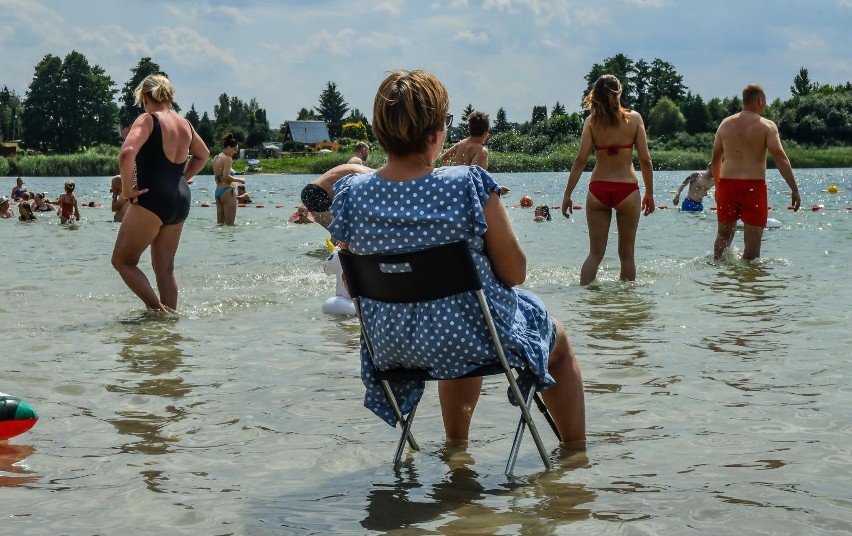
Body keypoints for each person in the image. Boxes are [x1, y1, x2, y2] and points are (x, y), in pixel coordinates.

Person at [329, 70, 585, 448]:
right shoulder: (468, 183)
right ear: (436, 134)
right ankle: (575, 456)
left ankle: (456, 448)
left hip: (392, 347)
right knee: (550, 340)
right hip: (470, 337)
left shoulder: (351, 193)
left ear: (380, 133)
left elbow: (353, 284)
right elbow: (515, 273)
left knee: (457, 314)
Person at [111, 73, 209, 312]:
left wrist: (126, 189)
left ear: (144, 97)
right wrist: (182, 178)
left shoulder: (147, 120)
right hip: (180, 199)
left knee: (123, 261)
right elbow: (203, 154)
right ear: (169, 96)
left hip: (152, 198)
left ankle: (158, 312)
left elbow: (126, 154)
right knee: (165, 269)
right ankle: (170, 326)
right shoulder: (184, 123)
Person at [561, 74, 654, 285]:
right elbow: (645, 160)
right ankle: (625, 304)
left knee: (595, 254)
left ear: (596, 95)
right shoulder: (635, 119)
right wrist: (649, 192)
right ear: (619, 92)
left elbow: (580, 159)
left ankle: (585, 302)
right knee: (627, 255)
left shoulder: (591, 122)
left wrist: (567, 194)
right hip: (628, 190)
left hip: (598, 190)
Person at [711, 84, 801, 260]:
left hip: (727, 184)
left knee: (723, 238)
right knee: (752, 245)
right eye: (765, 100)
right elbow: (780, 158)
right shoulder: (767, 126)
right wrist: (794, 189)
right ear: (760, 100)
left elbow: (715, 160)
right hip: (753, 187)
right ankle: (749, 283)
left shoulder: (725, 124)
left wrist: (717, 186)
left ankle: (719, 279)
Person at [300, 163, 373, 228]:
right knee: (339, 233)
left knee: (339, 233)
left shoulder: (364, 170)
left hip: (312, 191)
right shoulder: (367, 176)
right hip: (317, 193)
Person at [211, 133, 245, 225]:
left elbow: (218, 176)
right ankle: (230, 240)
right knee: (230, 225)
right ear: (229, 147)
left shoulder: (216, 157)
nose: (236, 152)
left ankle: (220, 239)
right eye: (235, 149)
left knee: (220, 225)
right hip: (227, 192)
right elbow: (226, 176)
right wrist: (239, 180)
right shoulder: (228, 159)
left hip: (218, 191)